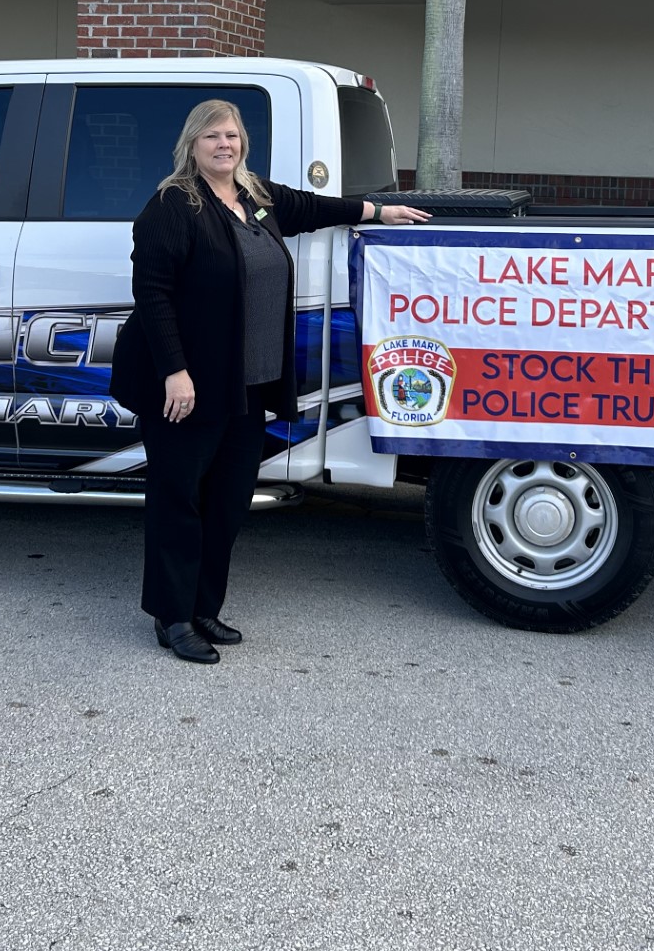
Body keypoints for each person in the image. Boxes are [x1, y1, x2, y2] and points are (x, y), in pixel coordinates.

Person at [109, 99, 431, 664]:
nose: (224, 144)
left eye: (232, 135)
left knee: (228, 500)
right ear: (192, 144)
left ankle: (204, 606)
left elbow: (311, 207)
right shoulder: (171, 206)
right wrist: (175, 373)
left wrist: (378, 213)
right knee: (178, 498)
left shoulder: (256, 196)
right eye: (212, 136)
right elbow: (153, 295)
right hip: (189, 385)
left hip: (246, 383)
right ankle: (173, 616)